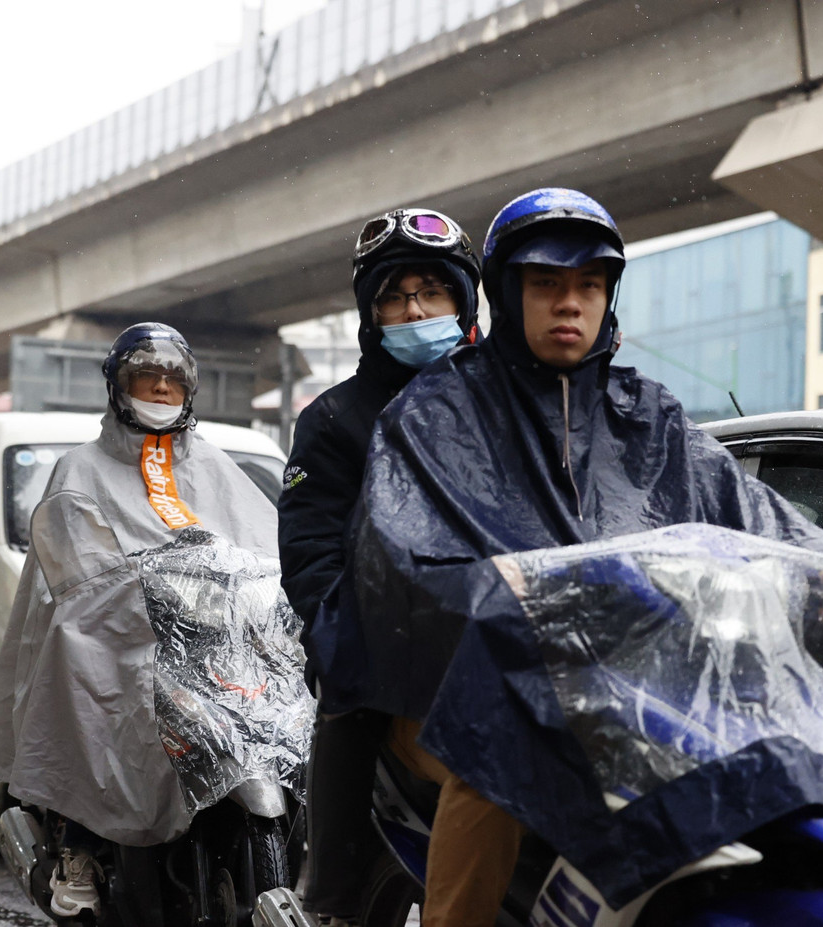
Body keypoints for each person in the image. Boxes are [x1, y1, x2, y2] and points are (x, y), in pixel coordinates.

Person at [310, 188, 823, 926]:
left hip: (621, 678)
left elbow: (737, 504)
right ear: (507, 295)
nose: (569, 303)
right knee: (501, 756)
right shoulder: (439, 413)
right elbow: (395, 548)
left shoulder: (648, 413)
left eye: (589, 283)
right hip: (462, 685)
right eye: (546, 282)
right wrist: (464, 599)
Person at [0, 323, 295, 920]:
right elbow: (70, 569)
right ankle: (79, 843)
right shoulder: (79, 467)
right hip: (115, 636)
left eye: (172, 379)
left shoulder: (215, 466)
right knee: (87, 680)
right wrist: (123, 593)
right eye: (145, 377)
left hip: (208, 646)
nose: (160, 388)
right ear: (118, 387)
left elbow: (266, 542)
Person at [276, 207, 480, 926]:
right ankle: (331, 897)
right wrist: (355, 635)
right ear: (371, 314)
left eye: (431, 292)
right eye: (395, 298)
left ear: (465, 300)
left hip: (503, 643)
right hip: (388, 664)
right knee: (347, 712)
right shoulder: (334, 419)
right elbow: (311, 553)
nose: (415, 311)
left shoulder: (508, 400)